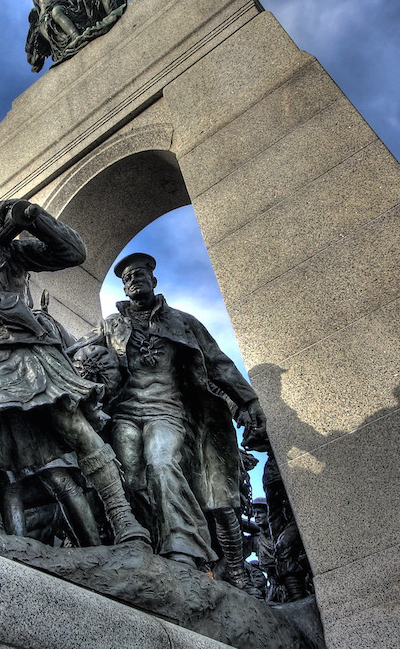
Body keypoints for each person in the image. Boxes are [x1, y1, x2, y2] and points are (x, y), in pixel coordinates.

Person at [0, 201, 148, 545]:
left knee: (70, 423)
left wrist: (33, 216)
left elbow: (73, 253)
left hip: (21, 347)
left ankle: (124, 520)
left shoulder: (5, 251)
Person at [70, 253, 267, 594]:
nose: (134, 281)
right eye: (128, 277)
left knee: (162, 464)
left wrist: (249, 401)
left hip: (169, 411)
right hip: (125, 413)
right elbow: (77, 354)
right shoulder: (110, 325)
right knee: (128, 476)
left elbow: (219, 364)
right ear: (124, 286)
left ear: (154, 281)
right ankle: (146, 542)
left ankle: (185, 550)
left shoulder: (183, 322)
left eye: (140, 275)